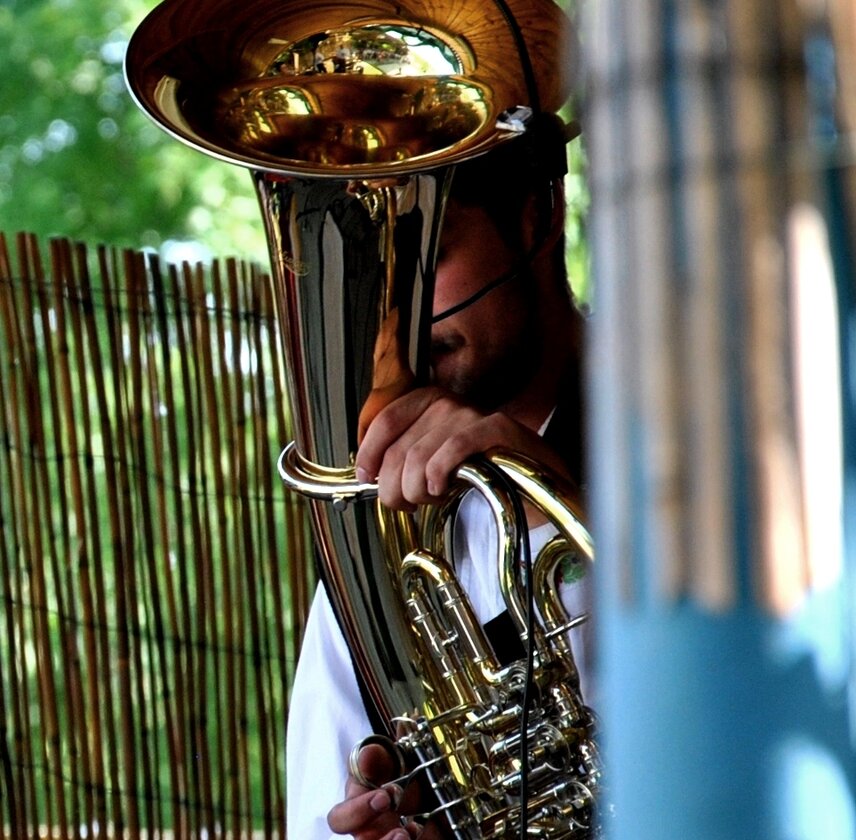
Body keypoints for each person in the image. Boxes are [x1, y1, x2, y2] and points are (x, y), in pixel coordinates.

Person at [285, 114, 591, 839]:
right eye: (368, 276)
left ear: (539, 215)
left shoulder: (711, 433)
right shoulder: (377, 547)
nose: (391, 323)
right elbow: (315, 816)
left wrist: (566, 517)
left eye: (426, 253)